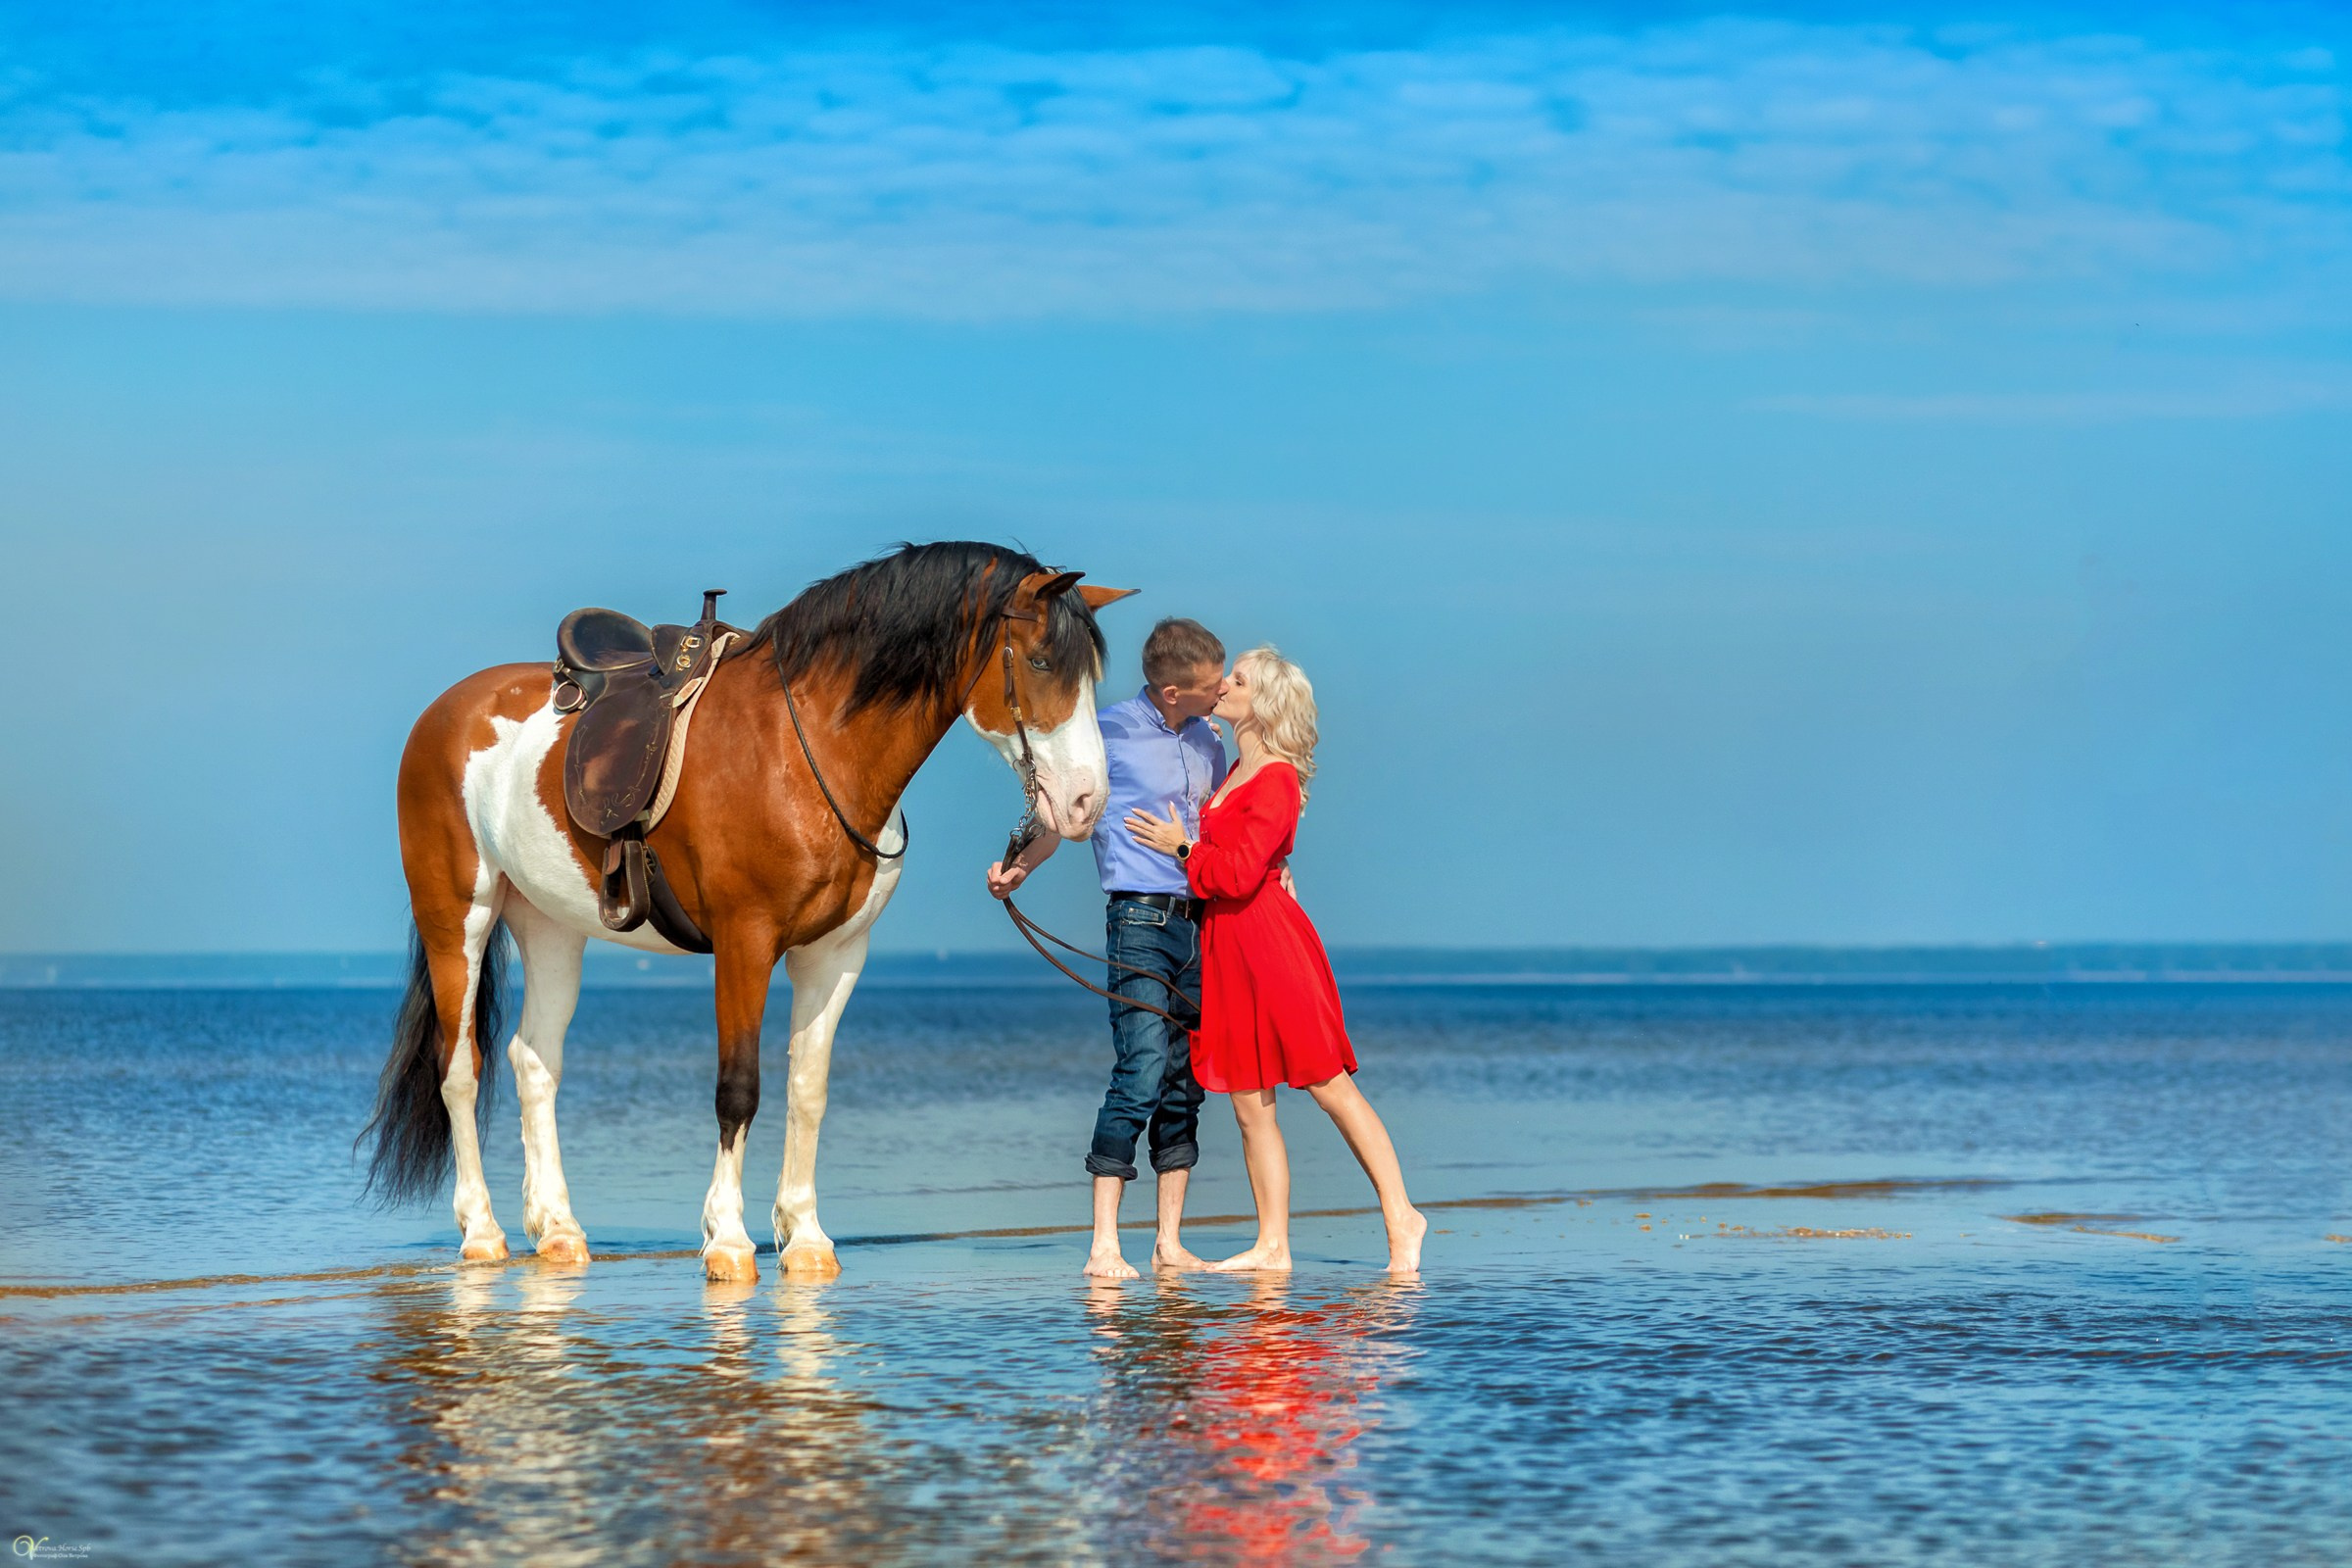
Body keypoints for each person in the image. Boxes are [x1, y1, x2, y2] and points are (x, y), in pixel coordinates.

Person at [1125, 646, 1427, 1275]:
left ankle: (1402, 1215)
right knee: (1247, 1103)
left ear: (1262, 702)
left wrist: (1183, 847)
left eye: (1238, 679)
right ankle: (1272, 1245)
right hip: (1226, 947)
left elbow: (1237, 874)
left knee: (1328, 1085)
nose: (1223, 684)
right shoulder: (1236, 767)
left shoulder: (1278, 778)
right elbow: (1246, 857)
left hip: (1269, 944)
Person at [987, 616, 1229, 1279]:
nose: (1222, 692)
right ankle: (1102, 1247)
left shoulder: (1209, 740)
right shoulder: (1109, 733)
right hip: (1139, 922)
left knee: (1183, 1085)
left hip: (1201, 925)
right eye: (1211, 685)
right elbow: (1065, 816)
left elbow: (1221, 829)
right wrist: (1019, 866)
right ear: (1173, 691)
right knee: (1141, 1071)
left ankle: (1169, 1244)